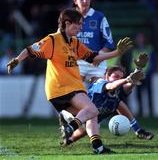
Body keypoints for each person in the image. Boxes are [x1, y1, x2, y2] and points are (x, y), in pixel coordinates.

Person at [7, 8, 133, 154]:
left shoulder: (74, 42)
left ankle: (97, 146)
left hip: (63, 90)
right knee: (92, 110)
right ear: (67, 23)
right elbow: (30, 49)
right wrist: (16, 60)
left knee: (92, 113)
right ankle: (70, 127)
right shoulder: (53, 40)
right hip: (64, 87)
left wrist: (117, 52)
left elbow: (93, 58)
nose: (80, 27)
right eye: (78, 24)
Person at [59, 53, 154, 145]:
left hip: (90, 119)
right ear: (107, 76)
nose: (119, 79)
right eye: (116, 76)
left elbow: (128, 86)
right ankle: (64, 118)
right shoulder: (101, 82)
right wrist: (127, 79)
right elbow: (111, 85)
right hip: (74, 115)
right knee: (115, 105)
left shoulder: (118, 90)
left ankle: (68, 140)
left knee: (117, 104)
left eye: (121, 77)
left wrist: (138, 69)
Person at [72, 0, 115, 87]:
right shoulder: (69, 17)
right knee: (74, 93)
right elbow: (60, 39)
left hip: (97, 63)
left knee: (99, 94)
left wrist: (99, 56)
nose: (85, 1)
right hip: (76, 62)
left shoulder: (99, 16)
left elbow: (108, 40)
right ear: (75, 1)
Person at [130, 32, 156, 117]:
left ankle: (151, 112)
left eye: (141, 37)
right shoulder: (134, 50)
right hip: (138, 75)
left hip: (147, 75)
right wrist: (134, 74)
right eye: (138, 38)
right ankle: (140, 112)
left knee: (149, 94)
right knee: (138, 94)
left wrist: (149, 73)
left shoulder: (149, 48)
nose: (140, 39)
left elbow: (153, 62)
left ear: (144, 39)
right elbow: (132, 63)